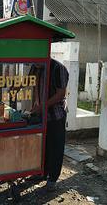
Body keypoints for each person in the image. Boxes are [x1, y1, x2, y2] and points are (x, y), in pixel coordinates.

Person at [30, 59, 69, 192]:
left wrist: (42, 106)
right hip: (41, 114)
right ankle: (42, 172)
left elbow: (61, 94)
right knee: (42, 145)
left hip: (56, 115)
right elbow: (33, 84)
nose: (34, 64)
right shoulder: (35, 66)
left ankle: (52, 179)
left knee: (55, 147)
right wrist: (36, 102)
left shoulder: (58, 68)